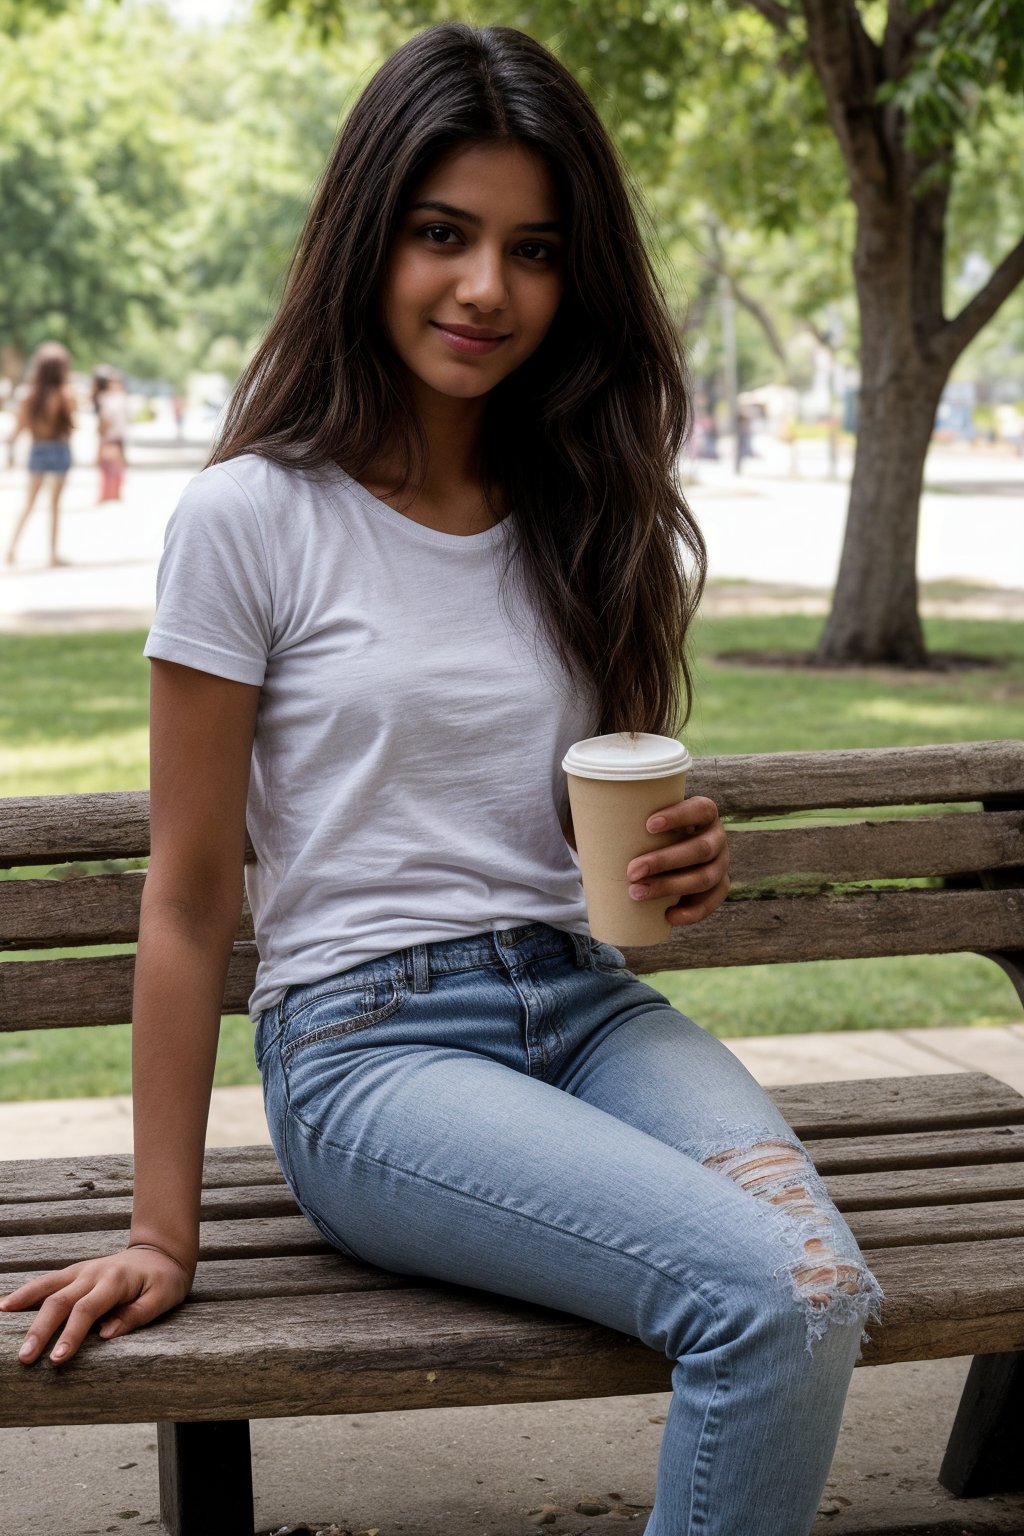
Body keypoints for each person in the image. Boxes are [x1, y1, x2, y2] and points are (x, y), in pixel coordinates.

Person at [0, 25, 882, 1534]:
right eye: (442, 235)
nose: (487, 289)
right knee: (763, 1296)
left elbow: (579, 838)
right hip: (373, 1057)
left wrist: (682, 866)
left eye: (533, 250)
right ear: (369, 239)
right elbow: (192, 895)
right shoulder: (250, 519)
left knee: (820, 1285)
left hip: (588, 1007)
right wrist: (163, 1229)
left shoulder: (579, 511)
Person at [4, 341, 76, 567]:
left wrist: (9, 449)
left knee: (29, 503)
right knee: (55, 505)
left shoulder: (29, 396)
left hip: (38, 449)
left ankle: (11, 549)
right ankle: (53, 554)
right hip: (60, 449)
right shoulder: (66, 394)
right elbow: (73, 424)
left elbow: (18, 429)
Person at [91, 365, 129, 504]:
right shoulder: (120, 397)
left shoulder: (107, 399)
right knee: (115, 465)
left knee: (107, 466)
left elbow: (106, 420)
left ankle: (108, 493)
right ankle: (114, 493)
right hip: (116, 436)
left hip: (109, 436)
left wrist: (102, 434)